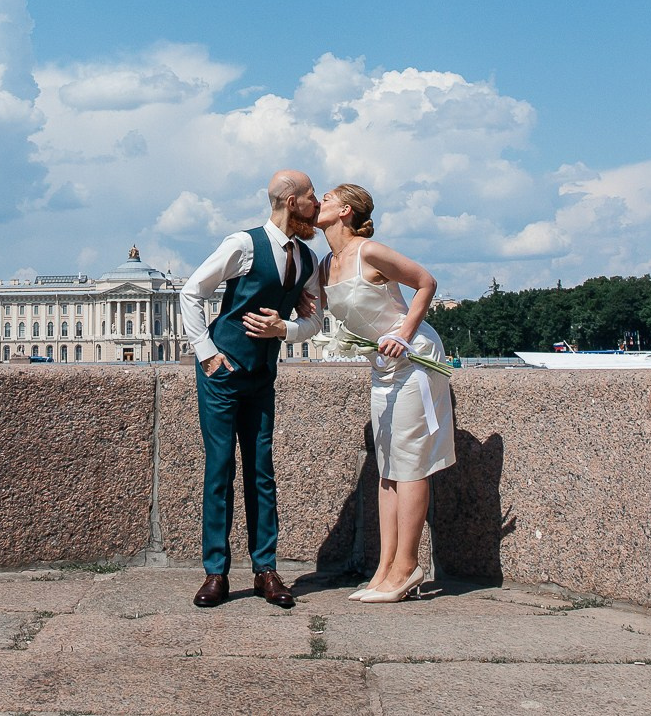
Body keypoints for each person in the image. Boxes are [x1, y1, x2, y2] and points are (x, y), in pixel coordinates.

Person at [178, 169, 325, 609]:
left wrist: (286, 329)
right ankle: (216, 572)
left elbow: (315, 321)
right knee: (220, 469)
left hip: (263, 374)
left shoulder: (307, 259)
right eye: (311, 198)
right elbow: (192, 291)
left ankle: (266, 569)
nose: (317, 207)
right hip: (222, 374)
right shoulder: (242, 245)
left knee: (262, 471)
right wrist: (206, 353)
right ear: (289, 200)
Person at [311, 182, 454, 603]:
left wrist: (404, 334)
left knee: (409, 462)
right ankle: (384, 568)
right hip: (382, 365)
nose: (320, 203)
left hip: (413, 359)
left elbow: (426, 282)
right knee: (388, 465)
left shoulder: (369, 251)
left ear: (346, 212)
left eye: (328, 199)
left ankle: (407, 567)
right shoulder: (324, 265)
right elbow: (311, 313)